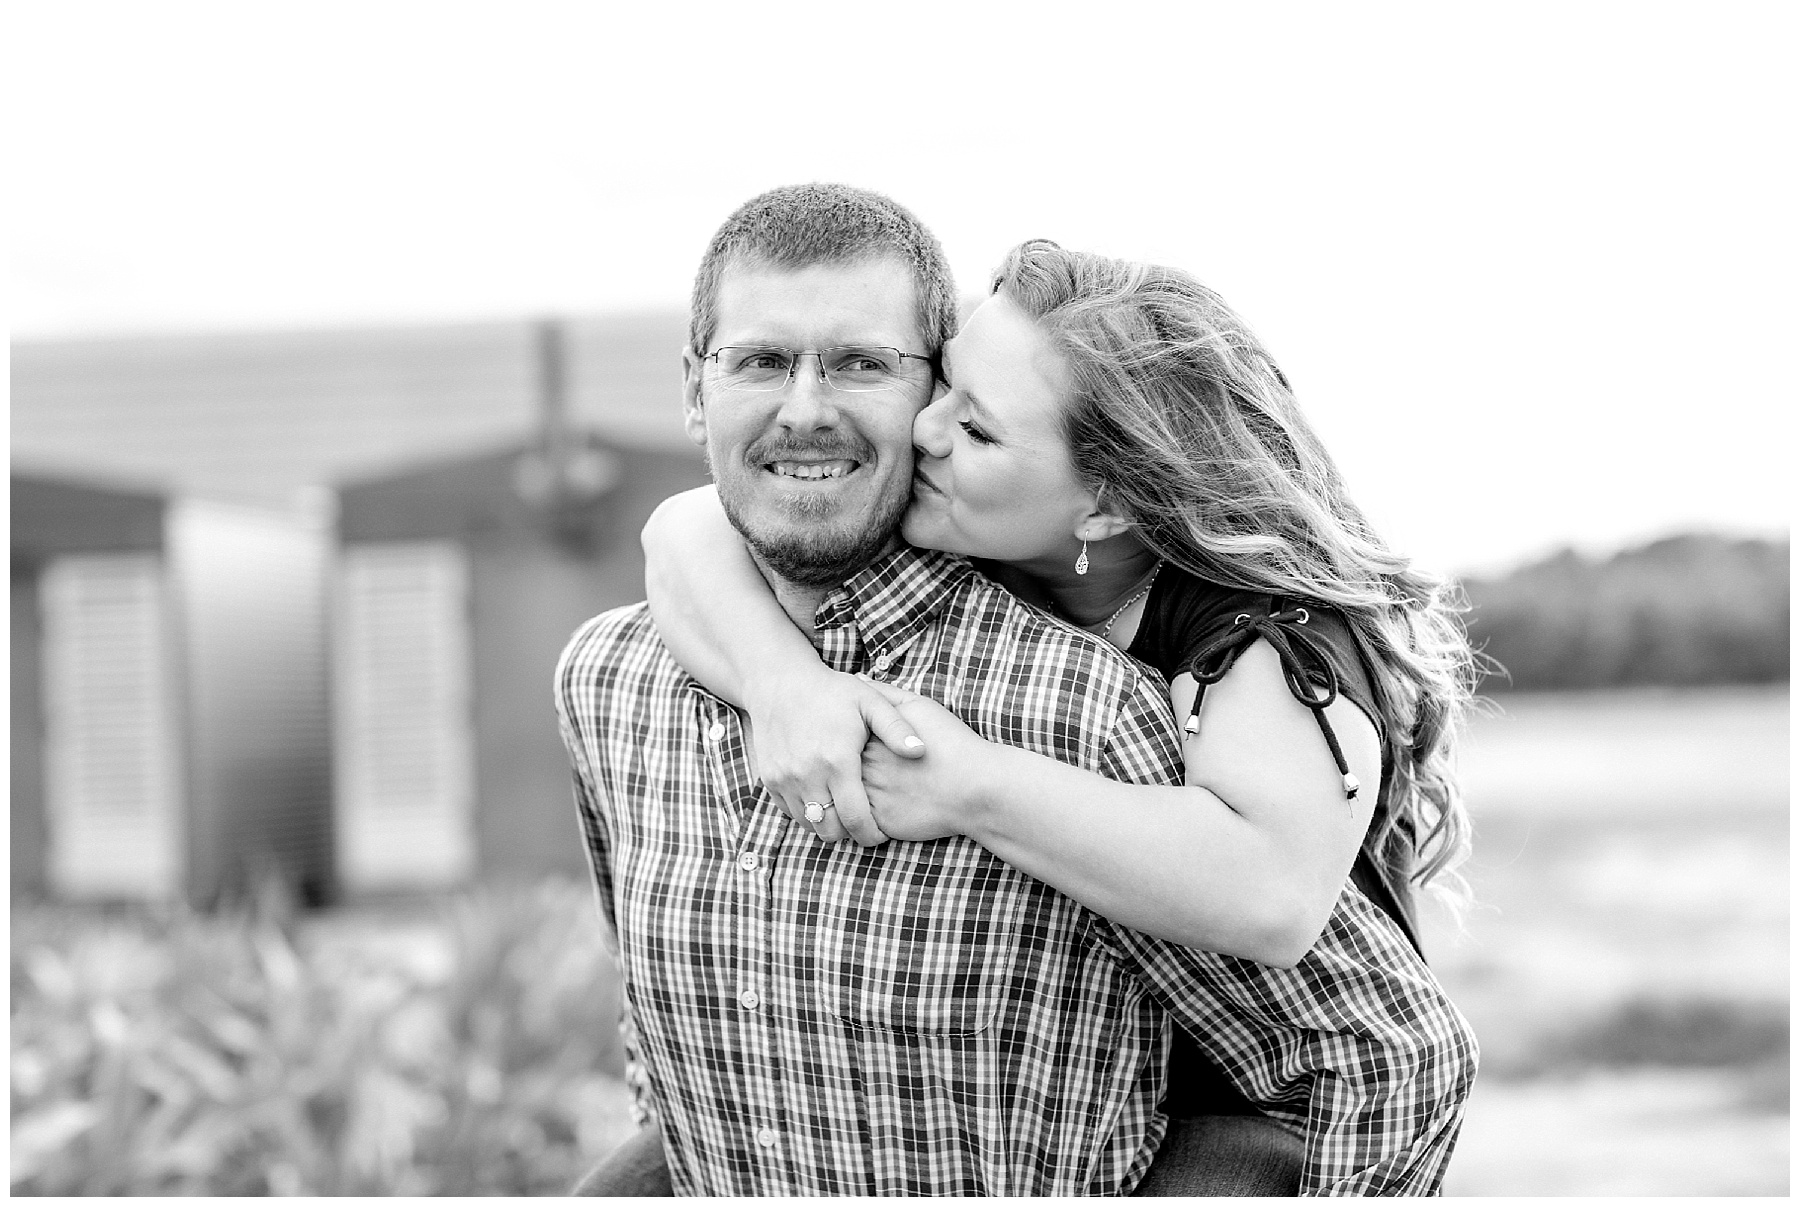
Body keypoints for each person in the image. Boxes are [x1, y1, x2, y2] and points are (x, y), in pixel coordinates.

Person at [558, 183, 1475, 1196]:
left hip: (1233, 1106)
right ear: (695, 385)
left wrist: (966, 782)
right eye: (942, 387)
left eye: (970, 424)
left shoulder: (1249, 651)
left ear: (1107, 502)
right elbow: (683, 527)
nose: (929, 434)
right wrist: (784, 684)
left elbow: (1274, 904)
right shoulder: (638, 663)